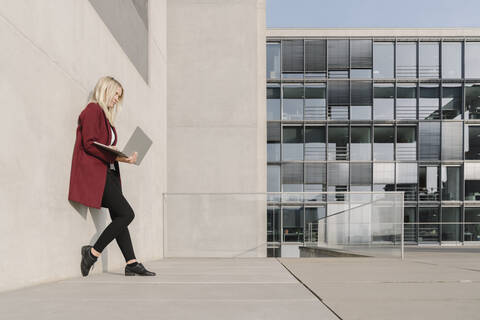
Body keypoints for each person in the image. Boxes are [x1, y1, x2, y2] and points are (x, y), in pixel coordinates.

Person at [69, 76, 155, 277]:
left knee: (120, 216)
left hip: (110, 173)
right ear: (105, 89)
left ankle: (131, 262)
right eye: (115, 94)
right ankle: (92, 252)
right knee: (127, 214)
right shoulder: (92, 110)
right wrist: (113, 153)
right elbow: (89, 143)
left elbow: (103, 149)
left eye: (119, 96)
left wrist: (124, 158)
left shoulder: (106, 117)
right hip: (98, 174)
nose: (117, 99)